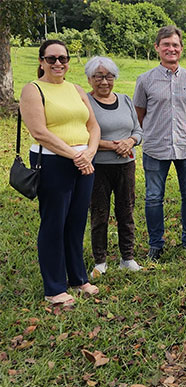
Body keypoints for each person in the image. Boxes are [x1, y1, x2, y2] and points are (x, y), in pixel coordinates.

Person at [19, 40, 100, 306]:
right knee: (54, 223)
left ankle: (78, 279)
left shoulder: (76, 89)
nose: (57, 64)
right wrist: (77, 156)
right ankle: (54, 287)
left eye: (63, 59)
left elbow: (93, 125)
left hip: (84, 162)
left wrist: (89, 152)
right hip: (54, 162)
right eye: (51, 58)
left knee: (76, 222)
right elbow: (39, 131)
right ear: (41, 61)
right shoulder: (33, 89)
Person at [134, 25, 186, 260]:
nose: (171, 49)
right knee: (154, 197)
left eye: (175, 45)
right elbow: (140, 114)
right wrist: (156, 133)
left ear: (181, 49)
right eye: (166, 44)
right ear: (157, 48)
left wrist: (184, 131)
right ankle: (156, 244)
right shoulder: (145, 80)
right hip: (156, 147)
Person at [84, 56, 144, 278]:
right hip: (97, 167)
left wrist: (130, 142)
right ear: (90, 79)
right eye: (98, 76)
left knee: (126, 211)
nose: (104, 81)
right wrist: (110, 145)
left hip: (126, 165)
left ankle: (127, 257)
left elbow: (138, 131)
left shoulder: (126, 100)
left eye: (109, 76)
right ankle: (100, 260)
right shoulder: (85, 103)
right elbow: (82, 136)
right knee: (99, 212)